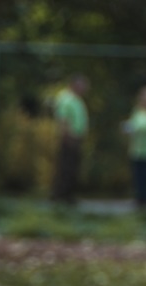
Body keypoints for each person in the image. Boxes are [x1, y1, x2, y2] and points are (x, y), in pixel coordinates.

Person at [50, 74, 89, 205]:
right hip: (69, 137)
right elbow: (64, 119)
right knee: (66, 167)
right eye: (82, 85)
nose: (85, 88)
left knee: (72, 167)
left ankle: (69, 195)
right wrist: (66, 136)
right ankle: (61, 196)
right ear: (74, 85)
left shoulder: (77, 99)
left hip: (76, 137)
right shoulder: (66, 99)